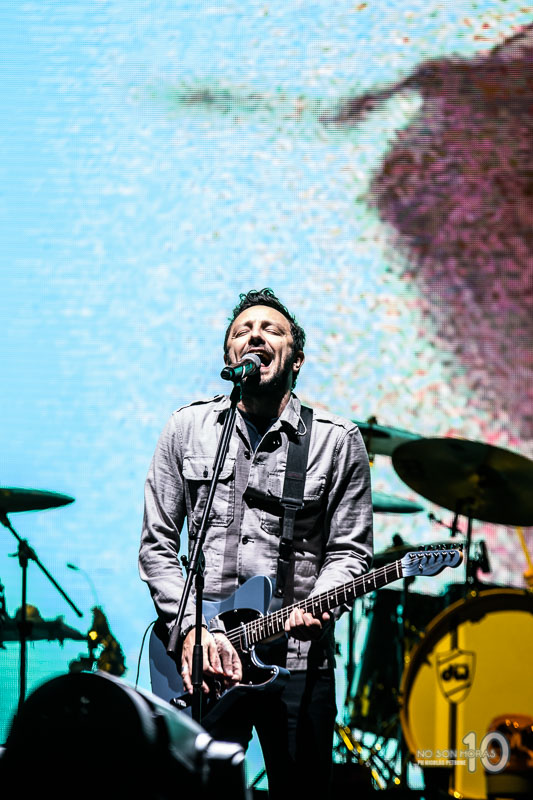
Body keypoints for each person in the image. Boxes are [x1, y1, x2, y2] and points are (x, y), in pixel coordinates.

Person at [139, 288, 373, 797]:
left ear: (297, 359)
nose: (255, 336)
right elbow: (157, 545)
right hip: (203, 658)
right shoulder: (187, 428)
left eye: (271, 330)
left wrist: (320, 603)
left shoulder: (337, 441)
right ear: (230, 356)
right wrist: (191, 631)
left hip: (298, 661)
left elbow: (351, 551)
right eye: (242, 331)